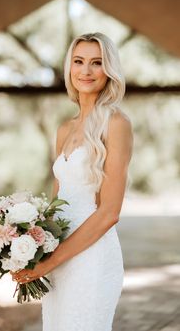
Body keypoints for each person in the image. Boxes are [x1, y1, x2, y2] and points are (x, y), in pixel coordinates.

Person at [12, 32, 133, 331]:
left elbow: (109, 213)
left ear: (109, 70)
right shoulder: (65, 129)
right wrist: (27, 245)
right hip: (57, 255)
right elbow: (57, 202)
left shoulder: (117, 124)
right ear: (69, 67)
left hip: (91, 257)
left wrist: (49, 262)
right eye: (79, 61)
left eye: (96, 63)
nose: (86, 71)